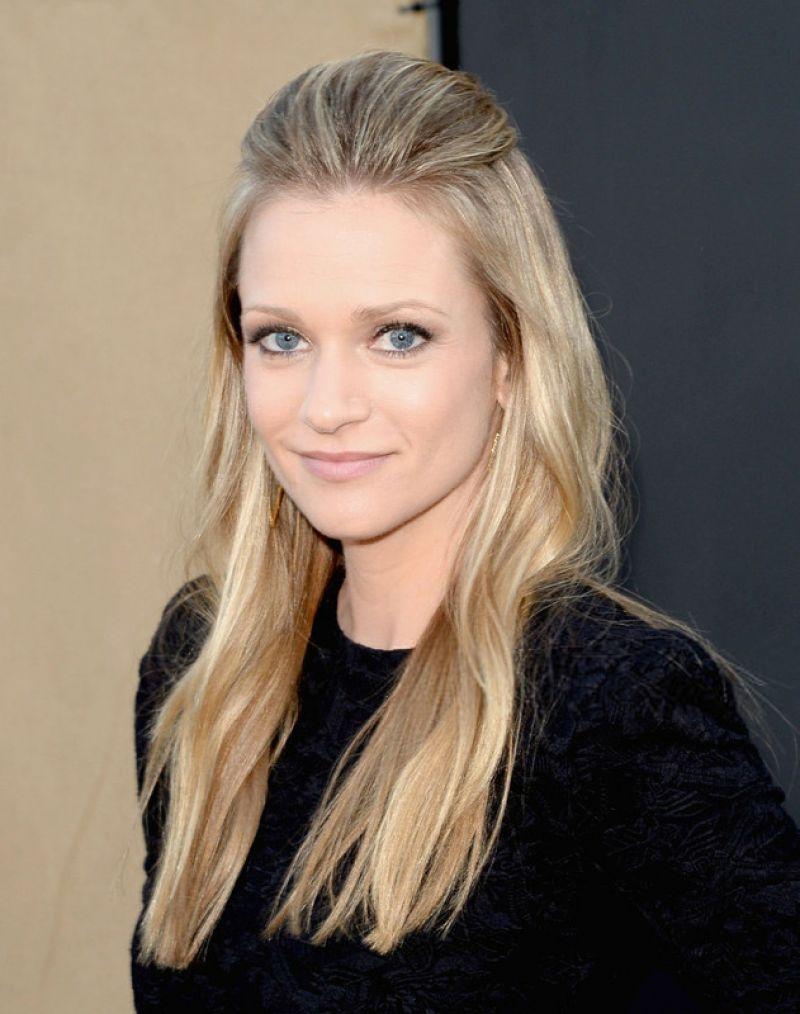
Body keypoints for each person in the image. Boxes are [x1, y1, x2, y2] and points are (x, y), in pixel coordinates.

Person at [129, 49, 800, 1011]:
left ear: (510, 358)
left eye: (398, 336)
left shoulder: (608, 705)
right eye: (282, 337)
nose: (326, 406)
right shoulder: (208, 670)